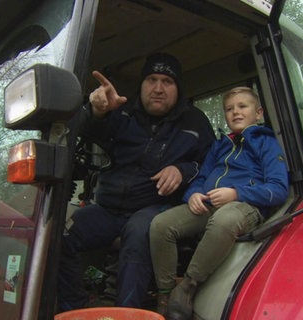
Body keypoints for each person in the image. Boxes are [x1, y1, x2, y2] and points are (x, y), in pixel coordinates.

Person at [57, 53, 215, 311]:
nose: (158, 88)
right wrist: (96, 111)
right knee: (62, 235)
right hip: (108, 209)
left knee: (138, 235)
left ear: (178, 89)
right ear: (141, 85)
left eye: (167, 81)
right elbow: (86, 130)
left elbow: (212, 166)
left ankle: (125, 313)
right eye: (152, 79)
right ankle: (75, 308)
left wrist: (182, 169)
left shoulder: (195, 122)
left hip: (155, 205)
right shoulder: (122, 113)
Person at [149, 87, 289, 319]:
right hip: (209, 203)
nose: (235, 112)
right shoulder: (220, 145)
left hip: (245, 206)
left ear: (259, 113)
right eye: (229, 109)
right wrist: (193, 194)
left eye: (242, 106)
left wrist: (236, 193)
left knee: (224, 219)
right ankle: (165, 295)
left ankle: (187, 287)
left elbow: (278, 189)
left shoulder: (266, 142)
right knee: (160, 225)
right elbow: (202, 178)